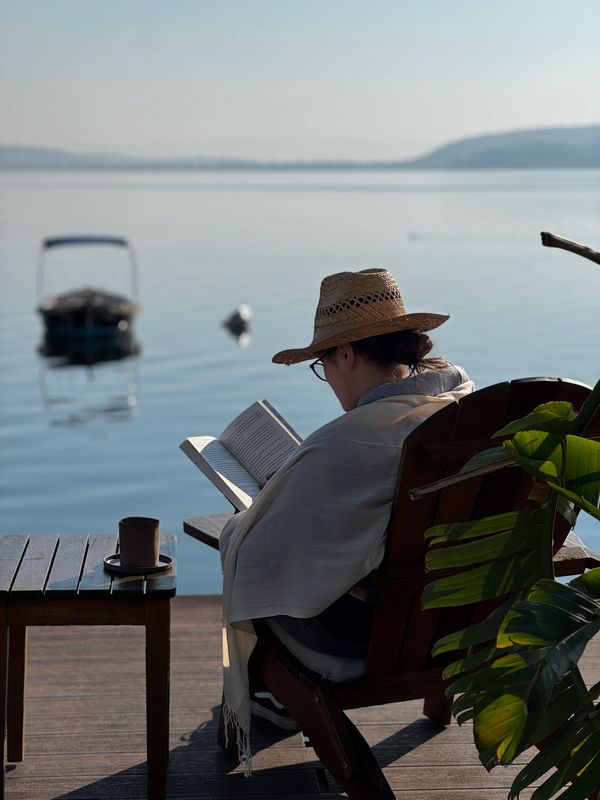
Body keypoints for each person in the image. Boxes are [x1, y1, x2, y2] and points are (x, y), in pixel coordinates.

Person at [218, 268, 474, 769]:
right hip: (462, 620)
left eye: (323, 365)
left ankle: (276, 700)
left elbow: (260, 557)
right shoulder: (463, 407)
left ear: (346, 354)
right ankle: (275, 702)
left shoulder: (347, 441)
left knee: (248, 554)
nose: (328, 378)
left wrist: (266, 508)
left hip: (370, 641)